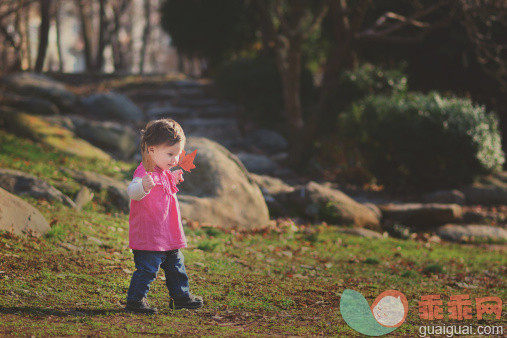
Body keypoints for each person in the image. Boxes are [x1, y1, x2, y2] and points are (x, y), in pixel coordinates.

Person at [125, 118, 203, 314]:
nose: (174, 159)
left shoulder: (166, 172)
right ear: (151, 150)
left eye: (177, 154)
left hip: (168, 233)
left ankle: (180, 297)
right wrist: (143, 186)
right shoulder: (145, 172)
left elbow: (165, 193)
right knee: (148, 269)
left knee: (176, 266)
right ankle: (135, 300)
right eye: (170, 154)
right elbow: (132, 191)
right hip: (150, 234)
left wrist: (174, 177)